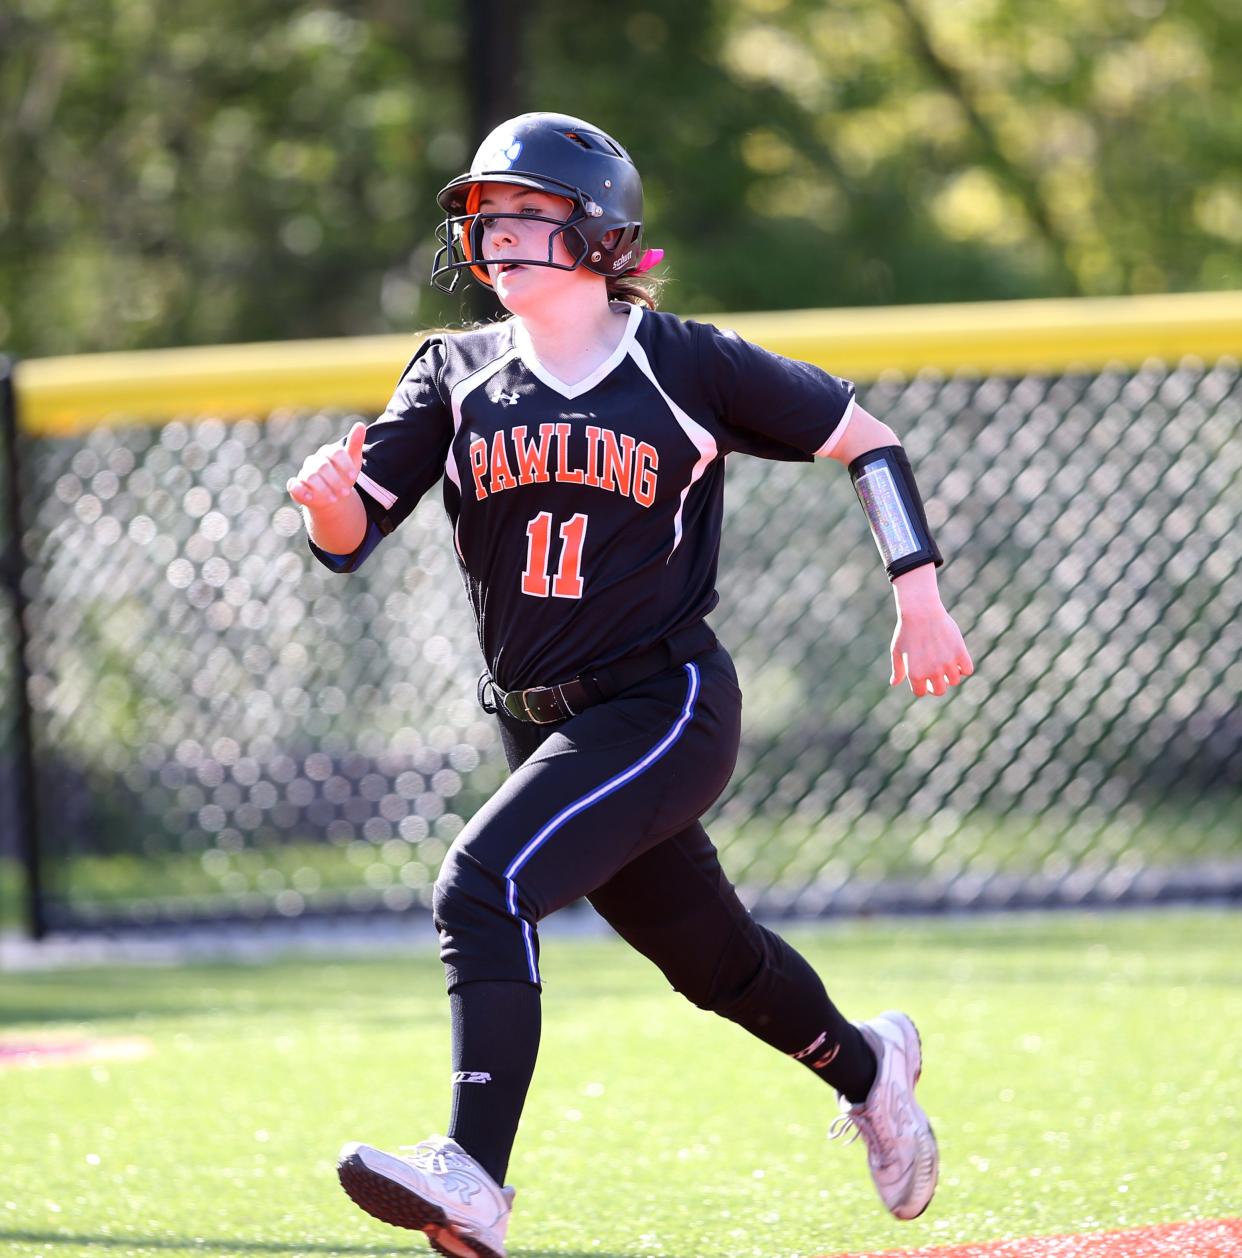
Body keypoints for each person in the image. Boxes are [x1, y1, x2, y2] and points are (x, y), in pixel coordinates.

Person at [288, 111, 973, 1258]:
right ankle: (873, 1067)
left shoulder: (683, 362)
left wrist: (918, 587)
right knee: (710, 961)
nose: (495, 237)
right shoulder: (453, 374)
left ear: (600, 232)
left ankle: (475, 1179)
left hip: (665, 704)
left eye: (525, 214)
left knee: (480, 885)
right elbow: (358, 533)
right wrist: (324, 501)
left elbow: (870, 438)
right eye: (484, 217)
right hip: (538, 723)